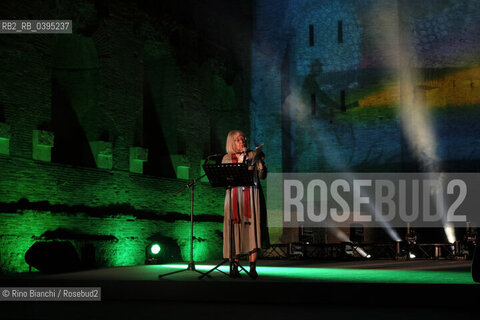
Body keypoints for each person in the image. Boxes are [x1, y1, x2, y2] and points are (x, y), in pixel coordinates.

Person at [222, 130, 267, 279]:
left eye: (243, 139)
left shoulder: (253, 155)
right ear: (232, 143)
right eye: (238, 140)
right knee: (235, 230)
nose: (242, 141)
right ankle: (234, 266)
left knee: (252, 229)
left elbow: (263, 176)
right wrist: (241, 161)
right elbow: (227, 179)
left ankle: (252, 267)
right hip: (235, 196)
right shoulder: (227, 159)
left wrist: (260, 164)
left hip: (252, 195)